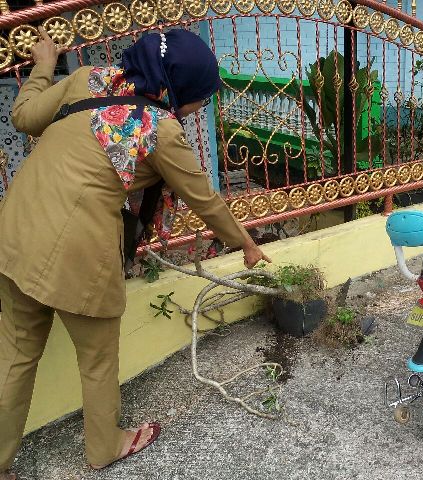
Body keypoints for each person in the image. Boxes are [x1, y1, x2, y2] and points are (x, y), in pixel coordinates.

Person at [0, 27, 271, 479]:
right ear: (176, 88)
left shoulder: (89, 77)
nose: (199, 107)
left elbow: (25, 116)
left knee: (15, 356)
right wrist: (245, 242)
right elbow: (204, 197)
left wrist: (44, 65)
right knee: (99, 359)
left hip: (15, 231)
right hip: (76, 251)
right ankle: (105, 446)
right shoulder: (160, 128)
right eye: (199, 99)